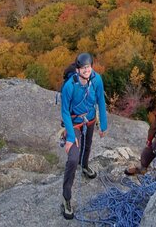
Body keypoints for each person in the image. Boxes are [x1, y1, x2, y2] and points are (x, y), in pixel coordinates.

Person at [60, 52, 108, 221]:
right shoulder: (70, 86)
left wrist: (103, 124)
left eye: (89, 67)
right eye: (84, 67)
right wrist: (71, 137)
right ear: (78, 69)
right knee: (73, 158)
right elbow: (65, 112)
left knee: (87, 147)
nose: (87, 70)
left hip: (90, 119)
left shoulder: (97, 80)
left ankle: (85, 166)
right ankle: (67, 199)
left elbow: (100, 100)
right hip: (74, 123)